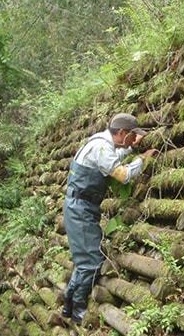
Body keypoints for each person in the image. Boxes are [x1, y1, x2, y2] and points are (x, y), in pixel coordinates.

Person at [62, 113, 158, 324]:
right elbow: (123, 175)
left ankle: (67, 305)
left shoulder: (101, 141)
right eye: (132, 136)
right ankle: (78, 311)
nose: (134, 140)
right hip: (81, 209)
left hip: (80, 206)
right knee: (91, 263)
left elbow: (112, 157)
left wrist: (131, 148)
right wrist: (142, 160)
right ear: (122, 133)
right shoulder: (102, 147)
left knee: (83, 261)